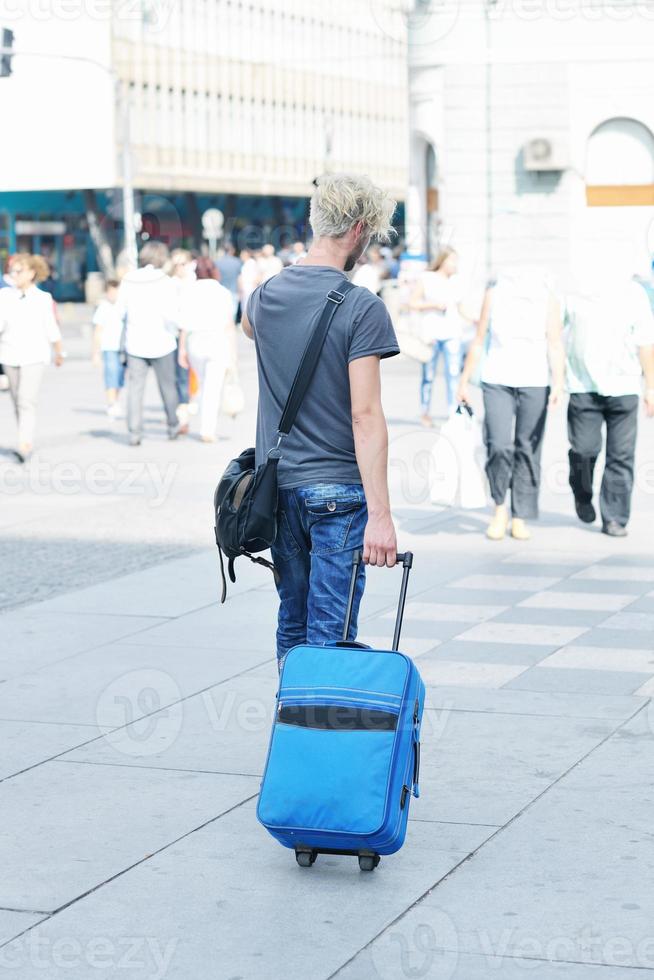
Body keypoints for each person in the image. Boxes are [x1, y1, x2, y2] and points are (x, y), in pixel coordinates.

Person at [241, 172, 400, 667]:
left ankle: (293, 731)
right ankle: (323, 736)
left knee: (293, 622)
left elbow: (249, 328)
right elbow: (365, 415)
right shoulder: (361, 307)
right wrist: (381, 515)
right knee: (331, 631)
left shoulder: (264, 297)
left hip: (281, 490)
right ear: (357, 230)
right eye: (370, 236)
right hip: (339, 495)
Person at [458, 266, 565, 541]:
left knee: (528, 447)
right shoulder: (494, 294)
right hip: (497, 378)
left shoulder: (547, 297)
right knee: (499, 444)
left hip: (535, 379)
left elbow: (555, 342)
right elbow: (479, 339)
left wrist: (559, 382)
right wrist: (464, 380)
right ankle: (500, 508)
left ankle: (520, 515)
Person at [565, 278, 654, 537]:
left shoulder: (634, 294)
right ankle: (582, 493)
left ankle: (614, 518)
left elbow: (646, 341)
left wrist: (650, 386)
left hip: (624, 386)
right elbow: (555, 332)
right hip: (583, 385)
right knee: (584, 449)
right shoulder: (575, 291)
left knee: (621, 455)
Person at [0, 252, 64, 461]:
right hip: (9, 355)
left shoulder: (43, 299)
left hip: (34, 356)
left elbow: (51, 327)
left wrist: (59, 351)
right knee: (17, 400)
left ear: (31, 273)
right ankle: (23, 436)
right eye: (12, 271)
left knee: (27, 400)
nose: (14, 275)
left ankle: (24, 443)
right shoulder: (4, 296)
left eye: (18, 271)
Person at [116, 241, 180, 447]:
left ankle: (134, 432)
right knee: (168, 387)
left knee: (135, 389)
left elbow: (120, 311)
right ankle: (172, 425)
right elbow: (172, 314)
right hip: (163, 342)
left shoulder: (129, 279)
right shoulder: (167, 282)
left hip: (135, 342)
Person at [177, 256, 236, 443]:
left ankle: (190, 411)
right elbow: (229, 325)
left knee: (202, 384)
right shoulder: (223, 292)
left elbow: (184, 324)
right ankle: (207, 429)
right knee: (213, 387)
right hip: (217, 341)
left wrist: (181, 349)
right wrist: (233, 353)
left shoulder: (189, 291)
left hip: (195, 341)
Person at [410, 247, 467, 423]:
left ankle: (453, 412)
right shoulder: (427, 278)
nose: (454, 264)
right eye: (451, 260)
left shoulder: (457, 281)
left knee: (453, 373)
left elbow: (461, 307)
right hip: (431, 334)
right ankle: (425, 412)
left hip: (452, 332)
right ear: (442, 260)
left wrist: (476, 319)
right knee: (428, 375)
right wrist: (432, 305)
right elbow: (413, 302)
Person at [169, 248, 194, 433]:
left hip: (196, 333)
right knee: (180, 376)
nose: (179, 267)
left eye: (183, 263)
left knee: (192, 375)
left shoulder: (195, 282)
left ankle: (189, 404)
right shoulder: (169, 284)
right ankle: (182, 413)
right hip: (176, 333)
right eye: (176, 264)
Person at [92, 279, 124, 417]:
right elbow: (98, 331)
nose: (114, 294)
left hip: (123, 347)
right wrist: (95, 353)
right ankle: (111, 402)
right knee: (111, 374)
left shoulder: (124, 306)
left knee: (120, 376)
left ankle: (115, 400)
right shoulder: (103, 307)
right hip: (109, 346)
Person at [215, 241, 242, 317]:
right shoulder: (237, 262)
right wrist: (240, 292)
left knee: (222, 314)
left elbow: (216, 277)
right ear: (232, 250)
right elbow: (239, 278)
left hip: (220, 291)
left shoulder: (217, 262)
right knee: (232, 314)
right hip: (233, 291)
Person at [237, 248, 261, 320]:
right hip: (246, 288)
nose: (240, 256)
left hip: (249, 287)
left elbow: (257, 276)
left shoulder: (251, 263)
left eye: (242, 254)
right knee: (245, 306)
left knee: (247, 306)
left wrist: (254, 286)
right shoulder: (245, 263)